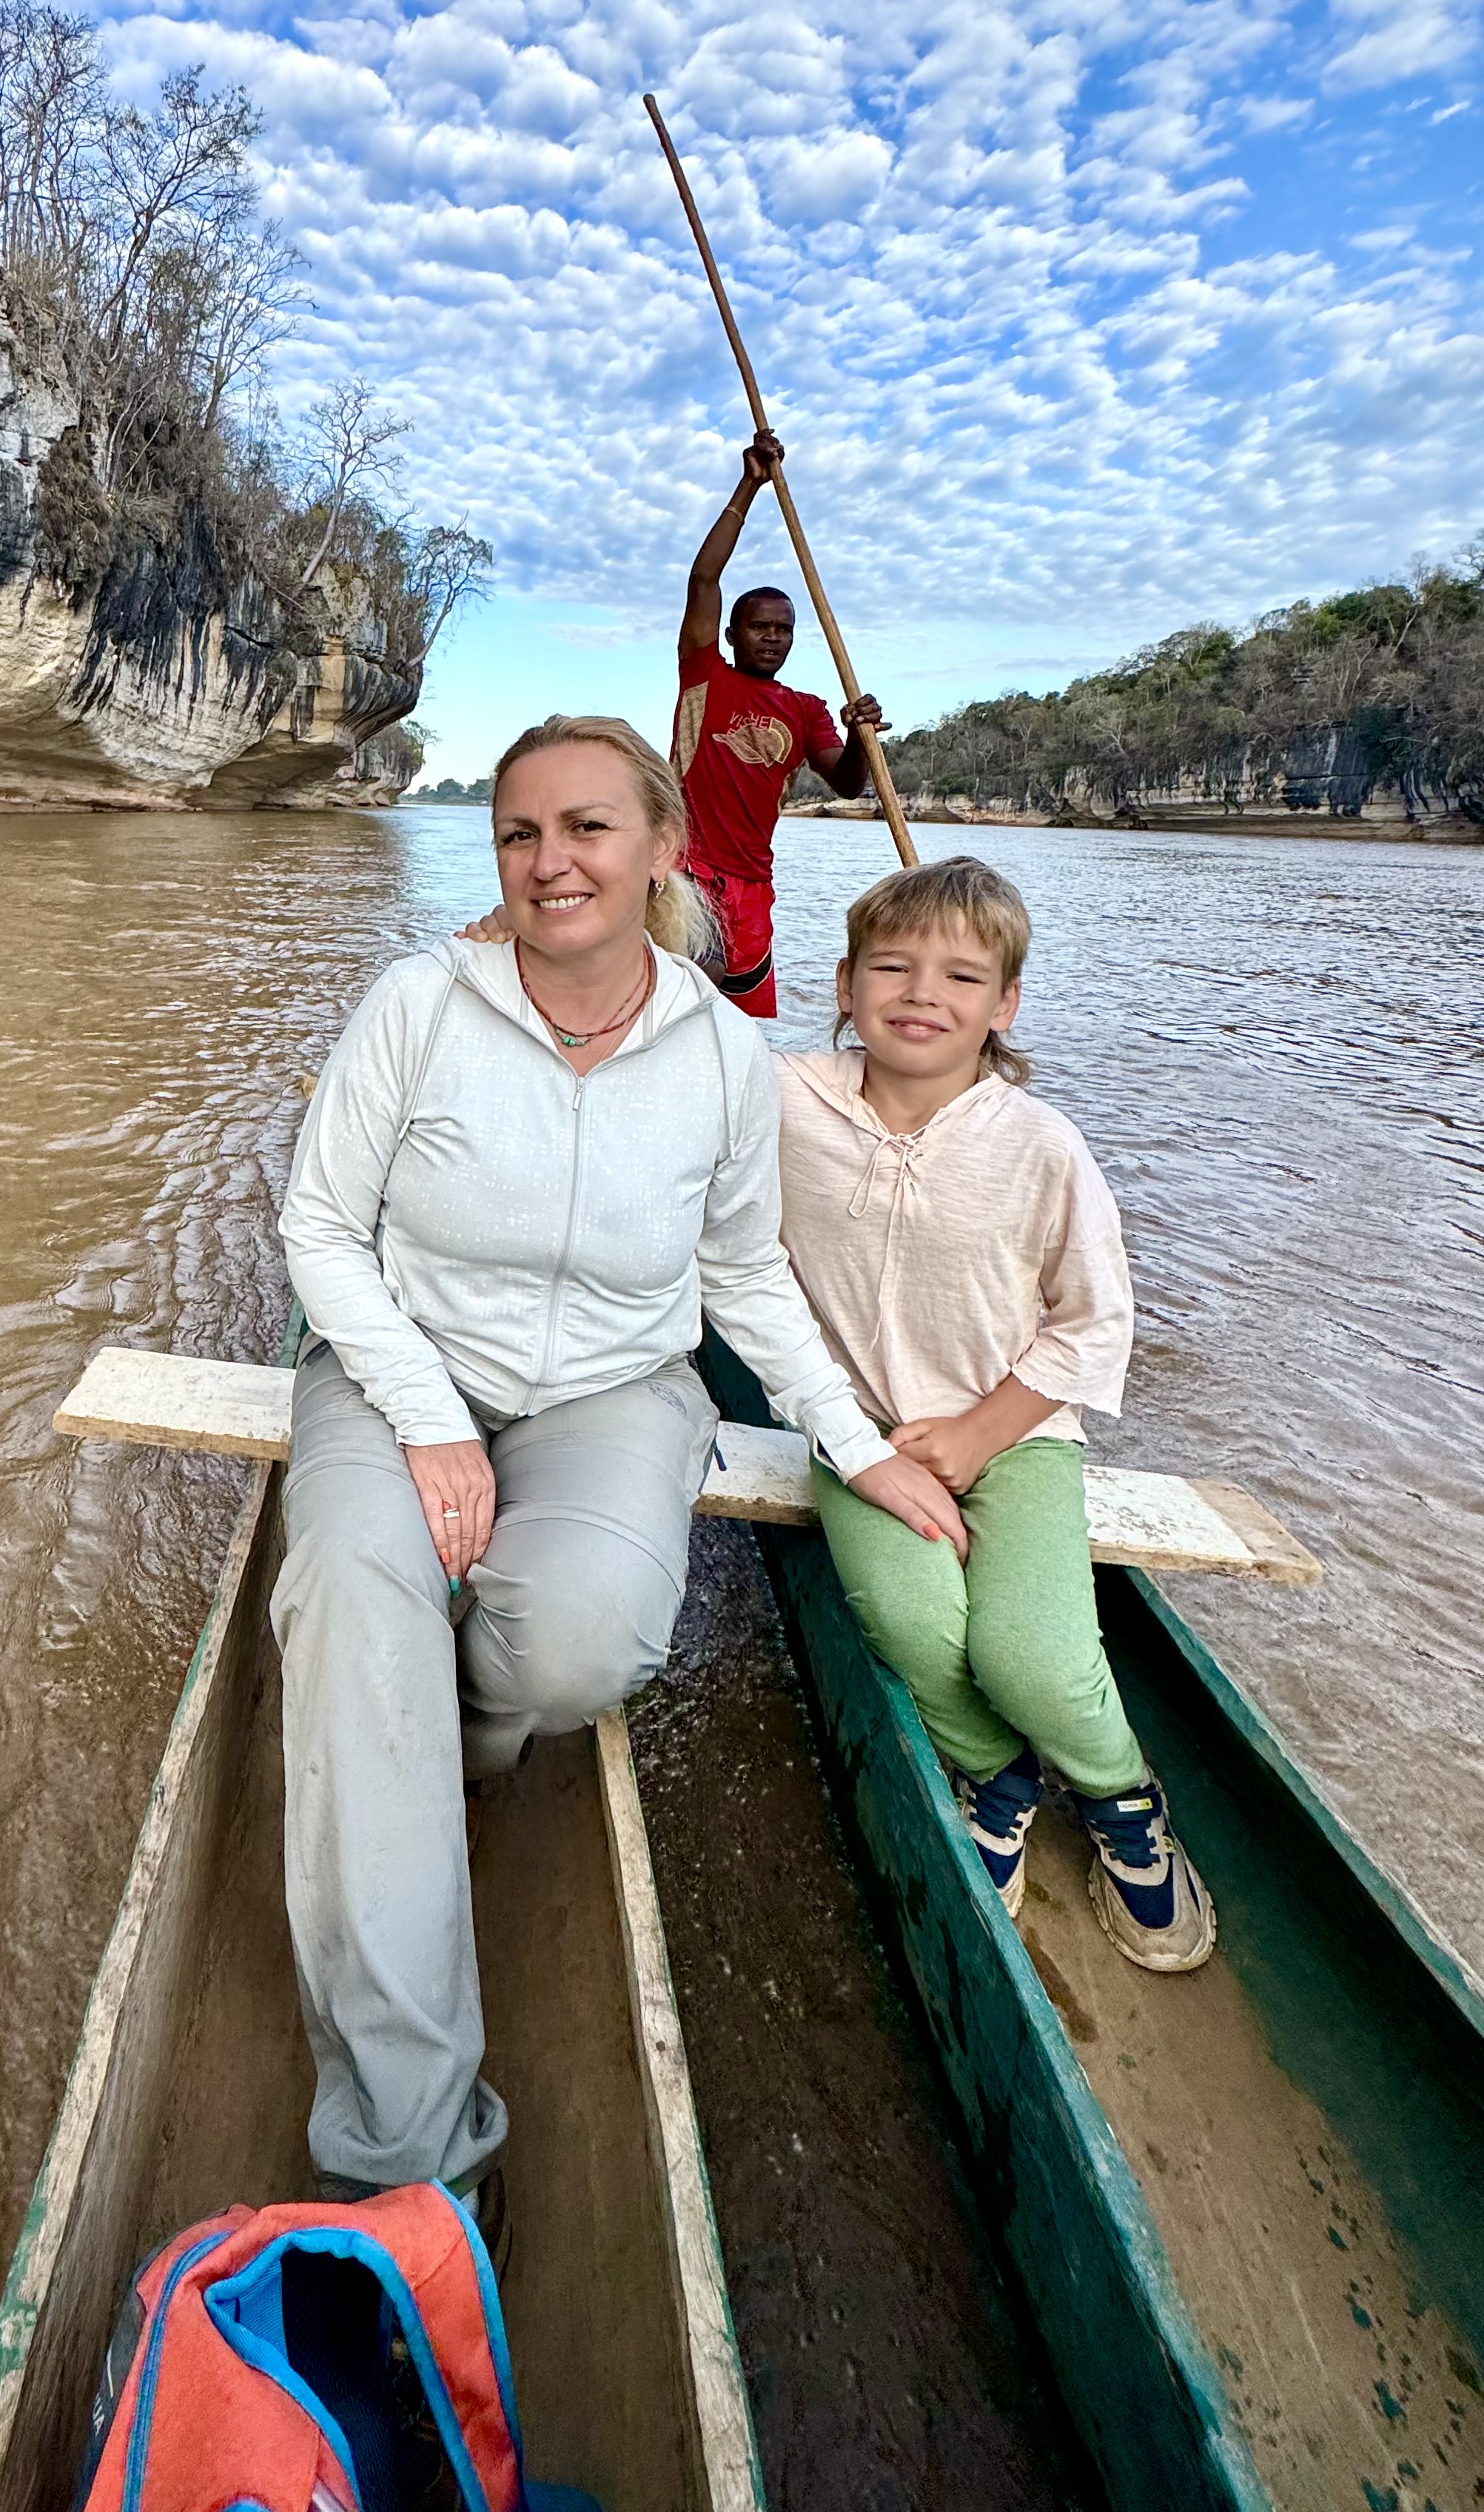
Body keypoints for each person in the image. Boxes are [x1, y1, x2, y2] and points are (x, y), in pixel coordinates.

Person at [274, 714, 961, 2216]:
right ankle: (406, 2149)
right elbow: (320, 1234)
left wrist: (855, 1445)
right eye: (520, 832)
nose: (550, 859)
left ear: (659, 851)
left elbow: (746, 1278)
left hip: (618, 1387)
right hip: (405, 1368)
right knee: (344, 1591)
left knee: (580, 1642)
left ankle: (441, 1730)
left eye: (587, 827)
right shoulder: (418, 1005)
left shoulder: (723, 1055)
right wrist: (428, 1420)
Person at [774, 854, 1217, 1972]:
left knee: (1031, 1654)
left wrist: (977, 1434)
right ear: (844, 983)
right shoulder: (784, 1101)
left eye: (963, 977)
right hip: (861, 1430)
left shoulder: (1040, 1144)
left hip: (1013, 1431)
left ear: (1005, 1005)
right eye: (893, 965)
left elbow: (1092, 1324)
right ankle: (999, 1771)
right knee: (920, 1627)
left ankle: (1121, 1795)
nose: (924, 993)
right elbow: (667, 1045)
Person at [674, 431, 887, 1015]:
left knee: (738, 1020)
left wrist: (858, 735)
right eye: (760, 626)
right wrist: (751, 484)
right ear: (732, 634)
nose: (772, 636)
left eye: (784, 628)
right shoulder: (704, 676)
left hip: (753, 883)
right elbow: (703, 582)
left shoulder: (806, 708)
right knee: (697, 977)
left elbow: (847, 784)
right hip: (686, 869)